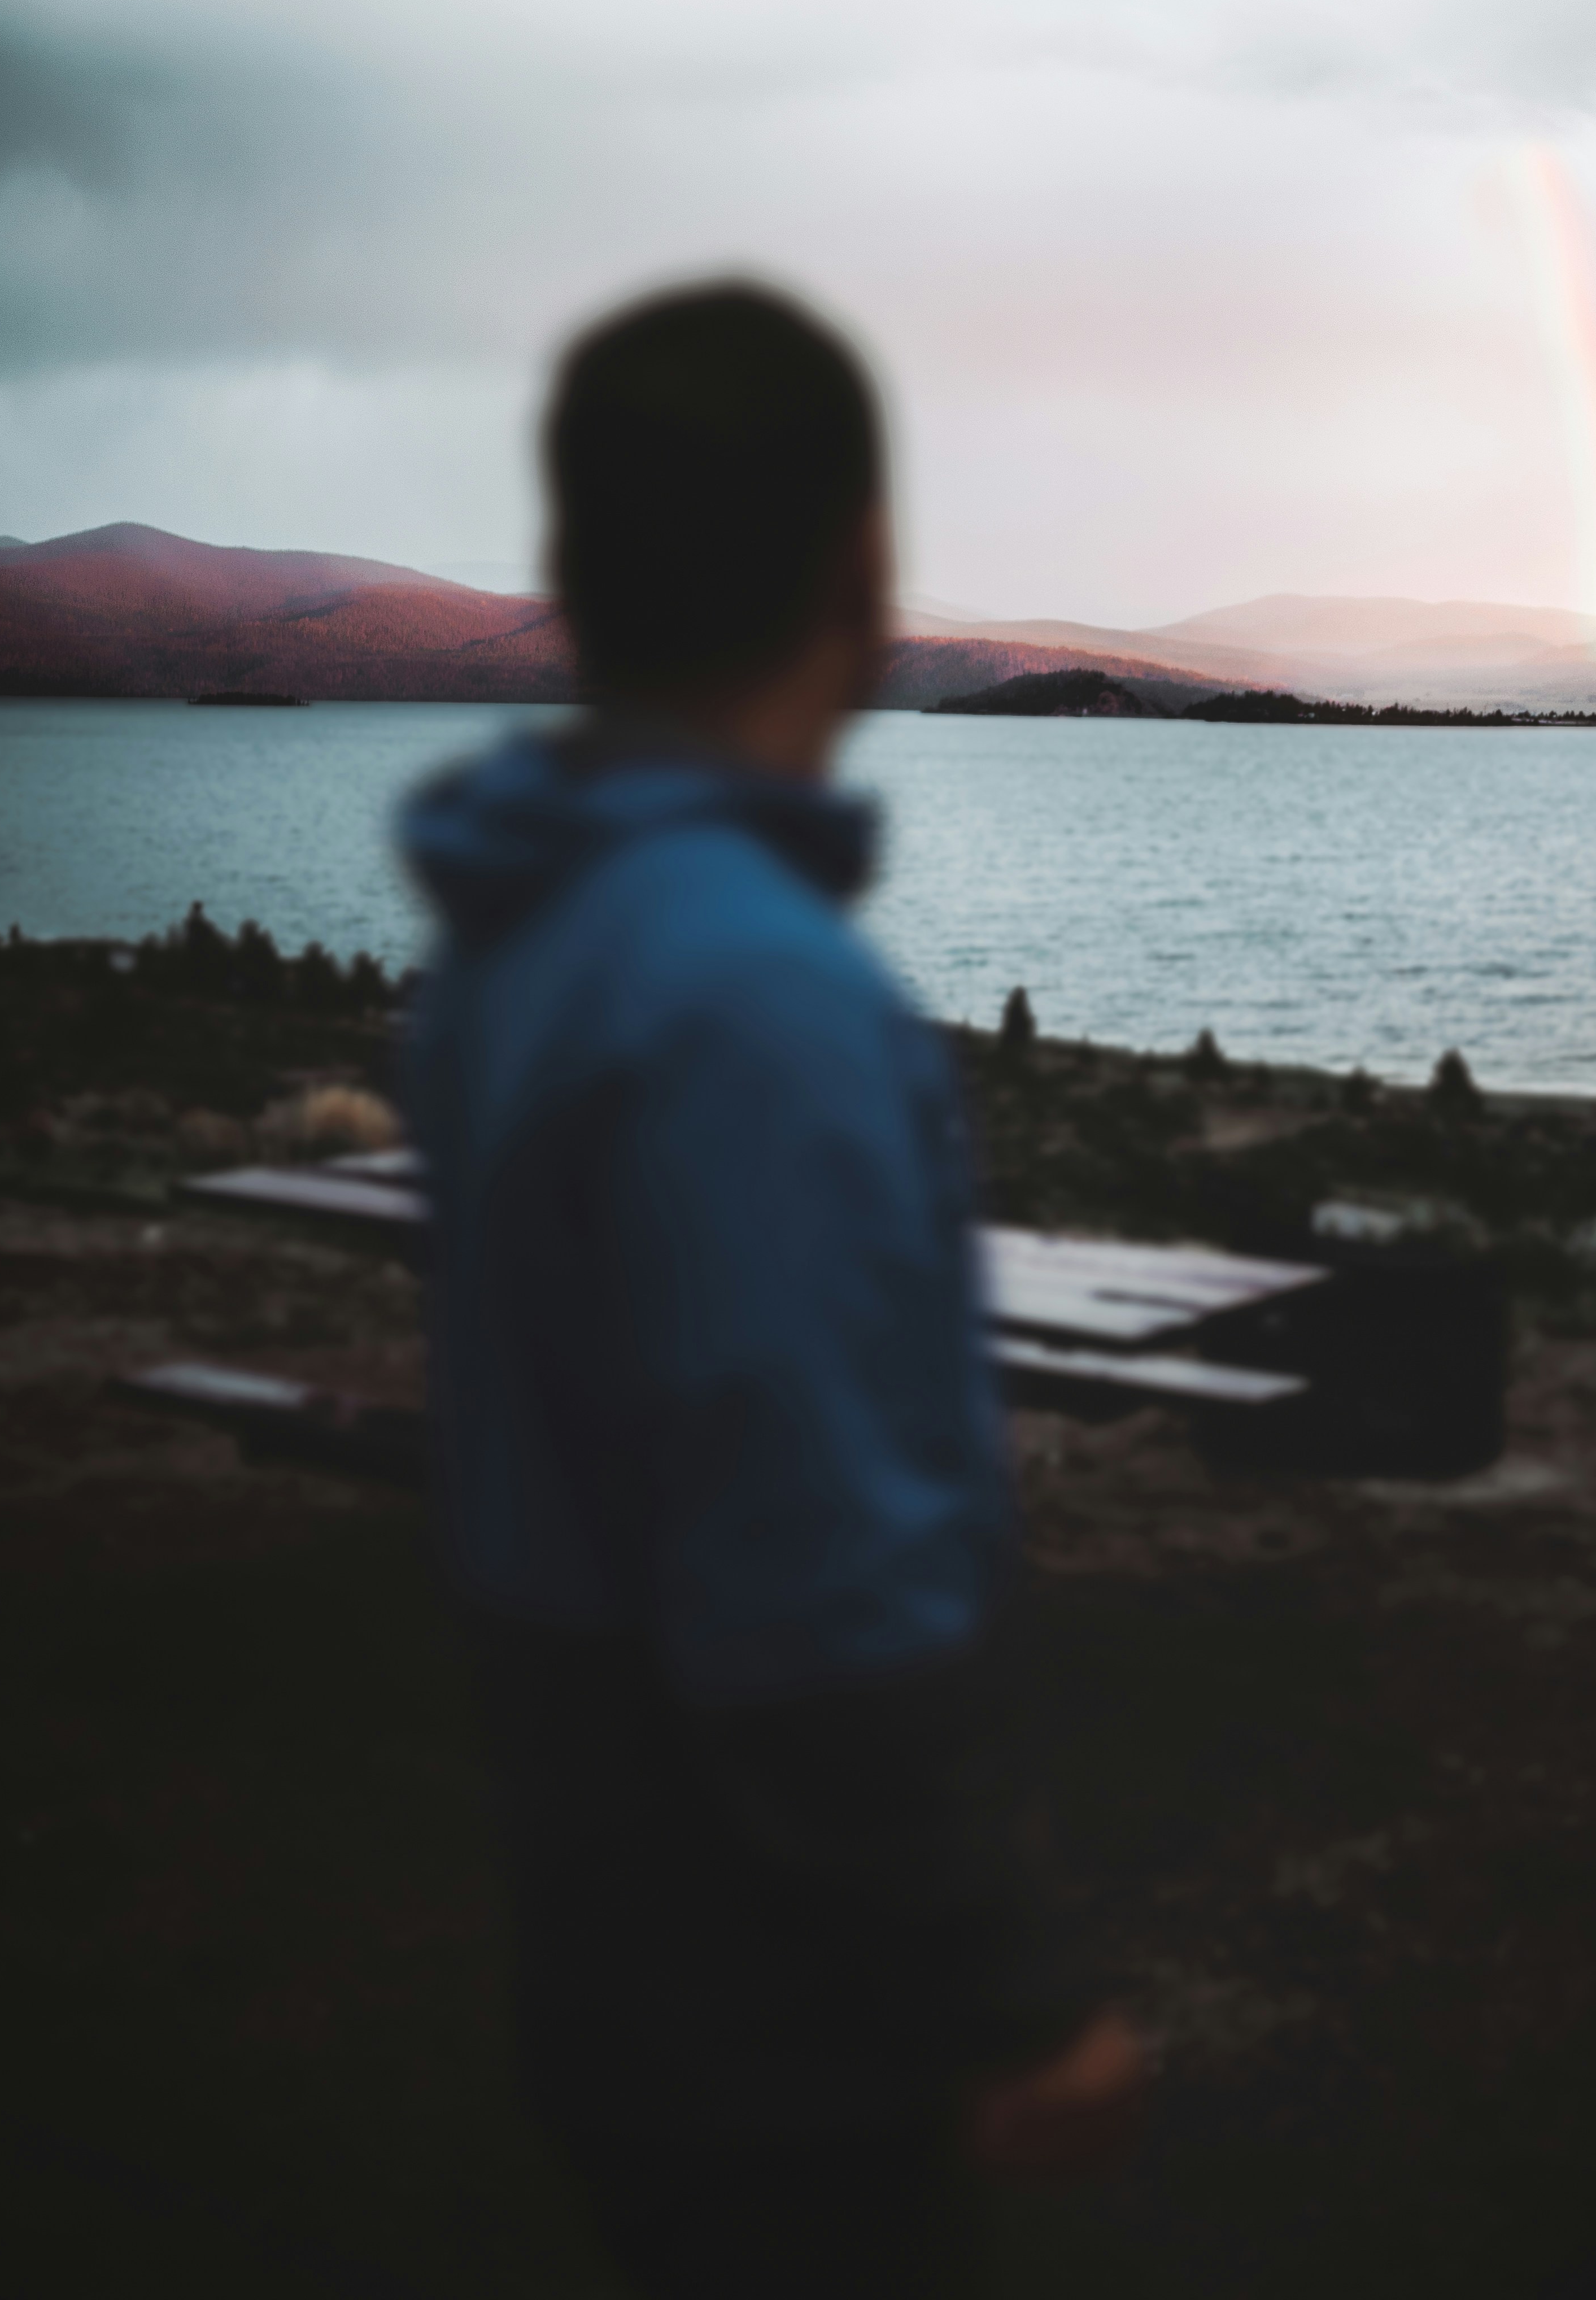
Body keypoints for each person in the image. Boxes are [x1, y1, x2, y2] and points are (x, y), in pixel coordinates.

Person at [399, 280, 1140, 2298]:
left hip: (603, 1919)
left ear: (569, 573)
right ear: (867, 569)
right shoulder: (757, 996)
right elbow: (807, 1563)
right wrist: (1004, 1987)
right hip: (778, 2008)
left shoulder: (516, 942)